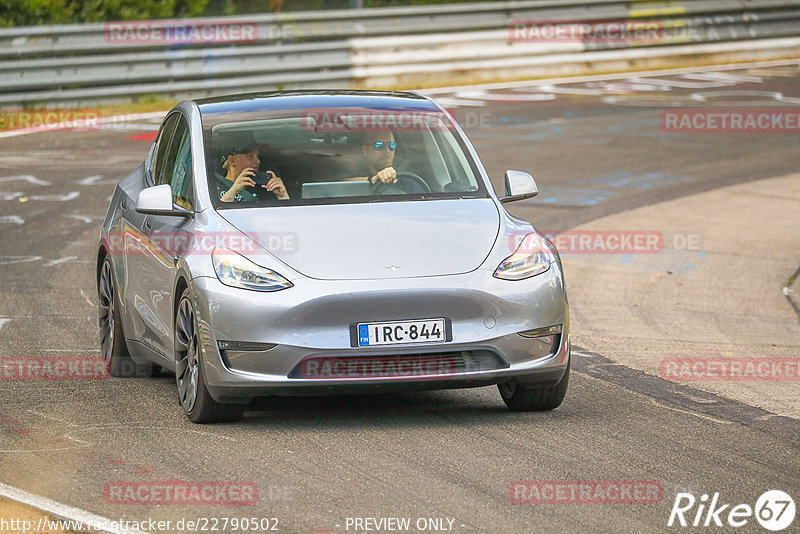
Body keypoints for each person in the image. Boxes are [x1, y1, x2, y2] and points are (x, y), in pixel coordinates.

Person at [216, 134, 289, 203]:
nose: (258, 161)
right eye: (250, 156)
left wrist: (282, 196)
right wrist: (234, 190)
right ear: (231, 161)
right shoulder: (212, 188)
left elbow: (283, 214)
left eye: (257, 156)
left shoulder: (264, 188)